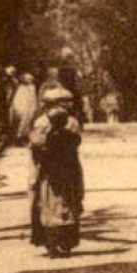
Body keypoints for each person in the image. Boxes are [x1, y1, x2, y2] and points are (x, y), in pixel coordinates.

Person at [28, 83, 84, 258]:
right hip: (57, 168)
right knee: (61, 202)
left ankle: (56, 243)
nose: (69, 104)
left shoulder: (44, 121)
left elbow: (36, 143)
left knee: (55, 203)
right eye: (65, 101)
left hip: (51, 168)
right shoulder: (60, 121)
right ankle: (61, 242)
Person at [8, 71, 39, 146]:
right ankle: (18, 139)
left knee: (28, 123)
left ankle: (25, 138)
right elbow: (18, 99)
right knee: (20, 123)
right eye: (27, 79)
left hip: (30, 107)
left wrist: (34, 106)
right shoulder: (21, 87)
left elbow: (33, 98)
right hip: (22, 107)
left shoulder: (32, 87)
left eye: (30, 79)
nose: (29, 80)